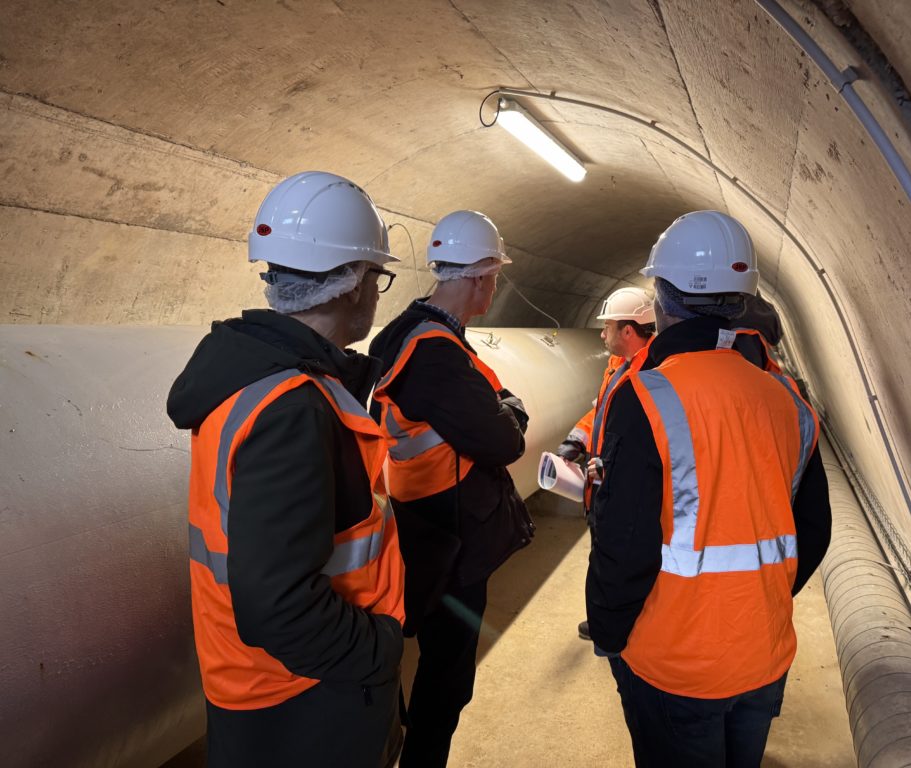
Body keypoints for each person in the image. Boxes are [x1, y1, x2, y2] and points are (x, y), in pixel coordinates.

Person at [167, 171, 406, 768]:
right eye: (378, 277)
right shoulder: (291, 406)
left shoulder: (252, 376)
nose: (377, 294)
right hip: (302, 696)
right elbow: (278, 605)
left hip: (263, 685)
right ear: (353, 284)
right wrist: (380, 649)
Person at [585, 210, 832, 767]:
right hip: (763, 655)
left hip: (677, 663)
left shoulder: (647, 396)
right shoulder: (786, 399)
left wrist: (608, 629)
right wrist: (761, 604)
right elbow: (814, 529)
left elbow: (625, 545)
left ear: (663, 300)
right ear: (742, 302)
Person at [368, 210, 534, 767]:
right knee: (446, 676)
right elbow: (503, 439)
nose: (493, 287)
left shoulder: (405, 332)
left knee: (433, 665)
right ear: (481, 277)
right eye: (494, 277)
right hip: (452, 539)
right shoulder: (436, 354)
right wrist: (510, 408)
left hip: (419, 520)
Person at [554, 286, 656, 642]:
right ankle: (602, 621)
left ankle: (619, 631)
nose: (601, 333)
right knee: (602, 558)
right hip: (601, 483)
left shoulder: (650, 375)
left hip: (619, 487)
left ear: (628, 331)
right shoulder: (617, 368)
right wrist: (575, 441)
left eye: (608, 326)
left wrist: (606, 467)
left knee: (620, 561)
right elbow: (599, 413)